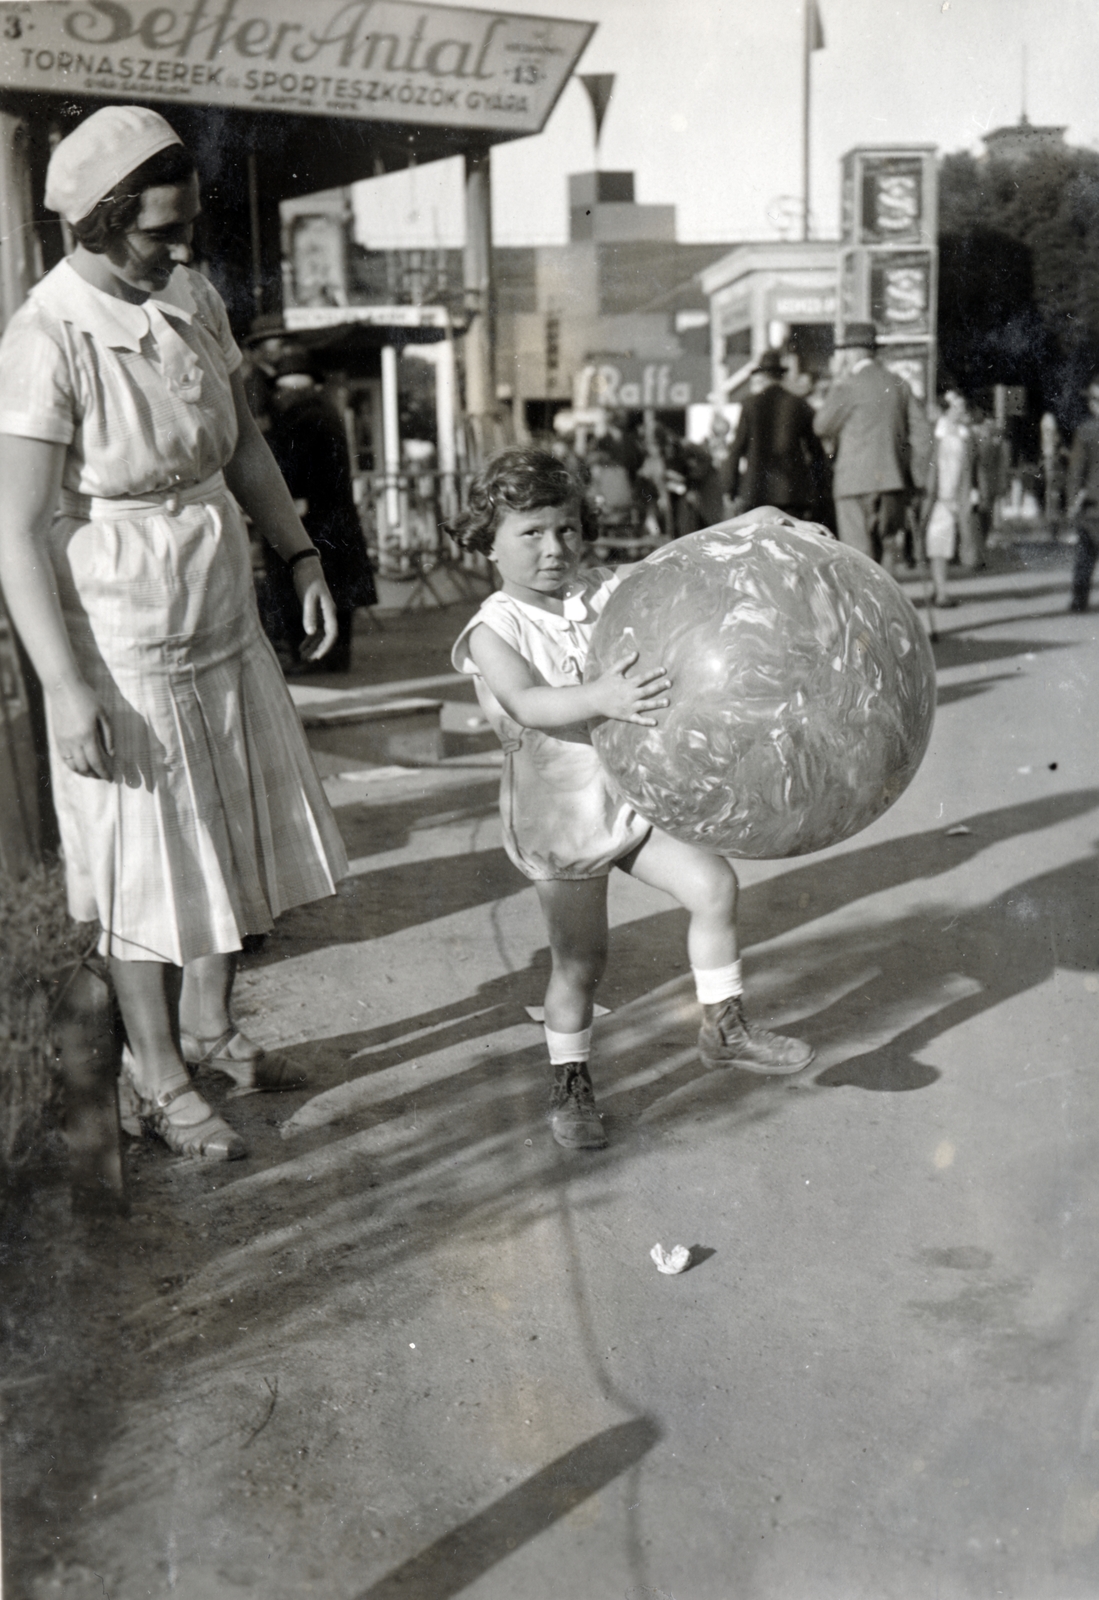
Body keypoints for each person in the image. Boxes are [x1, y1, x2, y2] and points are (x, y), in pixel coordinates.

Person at [0, 106, 348, 1160]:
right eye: (161, 230)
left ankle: (208, 1026)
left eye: (189, 224)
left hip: (217, 603)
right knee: (148, 857)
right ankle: (153, 1076)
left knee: (229, 824)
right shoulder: (47, 336)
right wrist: (64, 685)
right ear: (98, 225)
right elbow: (13, 532)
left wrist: (298, 552)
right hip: (119, 634)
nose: (185, 246)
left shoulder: (188, 294)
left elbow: (240, 445)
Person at [449, 448, 813, 1152]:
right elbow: (525, 702)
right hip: (563, 822)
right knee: (580, 964)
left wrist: (762, 522)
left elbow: (677, 562)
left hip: (632, 803)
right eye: (530, 534)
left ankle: (722, 1025)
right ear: (486, 544)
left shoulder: (598, 591)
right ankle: (571, 1080)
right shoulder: (493, 631)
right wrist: (603, 697)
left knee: (713, 884)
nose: (553, 549)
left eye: (565, 530)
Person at [263, 355, 376, 673]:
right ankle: (331, 657)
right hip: (333, 519)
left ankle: (313, 657)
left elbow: (296, 470)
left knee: (306, 587)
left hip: (309, 518)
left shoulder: (299, 417)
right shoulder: (326, 412)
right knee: (335, 590)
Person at [813, 322, 931, 566]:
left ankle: (866, 604)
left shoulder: (847, 385)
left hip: (853, 484)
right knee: (887, 550)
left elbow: (821, 425)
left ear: (851, 352)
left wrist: (837, 380)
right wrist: (915, 479)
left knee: (859, 556)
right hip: (892, 482)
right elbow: (922, 434)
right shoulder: (899, 383)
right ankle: (887, 601)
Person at [724, 349, 826, 521]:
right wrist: (817, 489)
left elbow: (737, 448)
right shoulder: (798, 404)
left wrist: (729, 488)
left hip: (755, 490)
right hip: (791, 492)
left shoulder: (749, 405)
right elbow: (815, 450)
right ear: (781, 375)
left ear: (763, 376)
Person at [923, 386, 975, 608]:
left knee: (945, 544)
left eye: (963, 406)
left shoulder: (964, 435)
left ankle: (940, 588)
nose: (962, 410)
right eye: (957, 406)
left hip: (956, 496)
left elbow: (969, 469)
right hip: (938, 497)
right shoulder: (936, 431)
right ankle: (941, 593)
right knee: (939, 543)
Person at [1066, 373, 1099, 612]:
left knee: (1086, 554)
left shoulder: (1086, 431)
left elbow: (1077, 470)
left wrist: (1073, 502)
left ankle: (1079, 600)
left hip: (1091, 503)